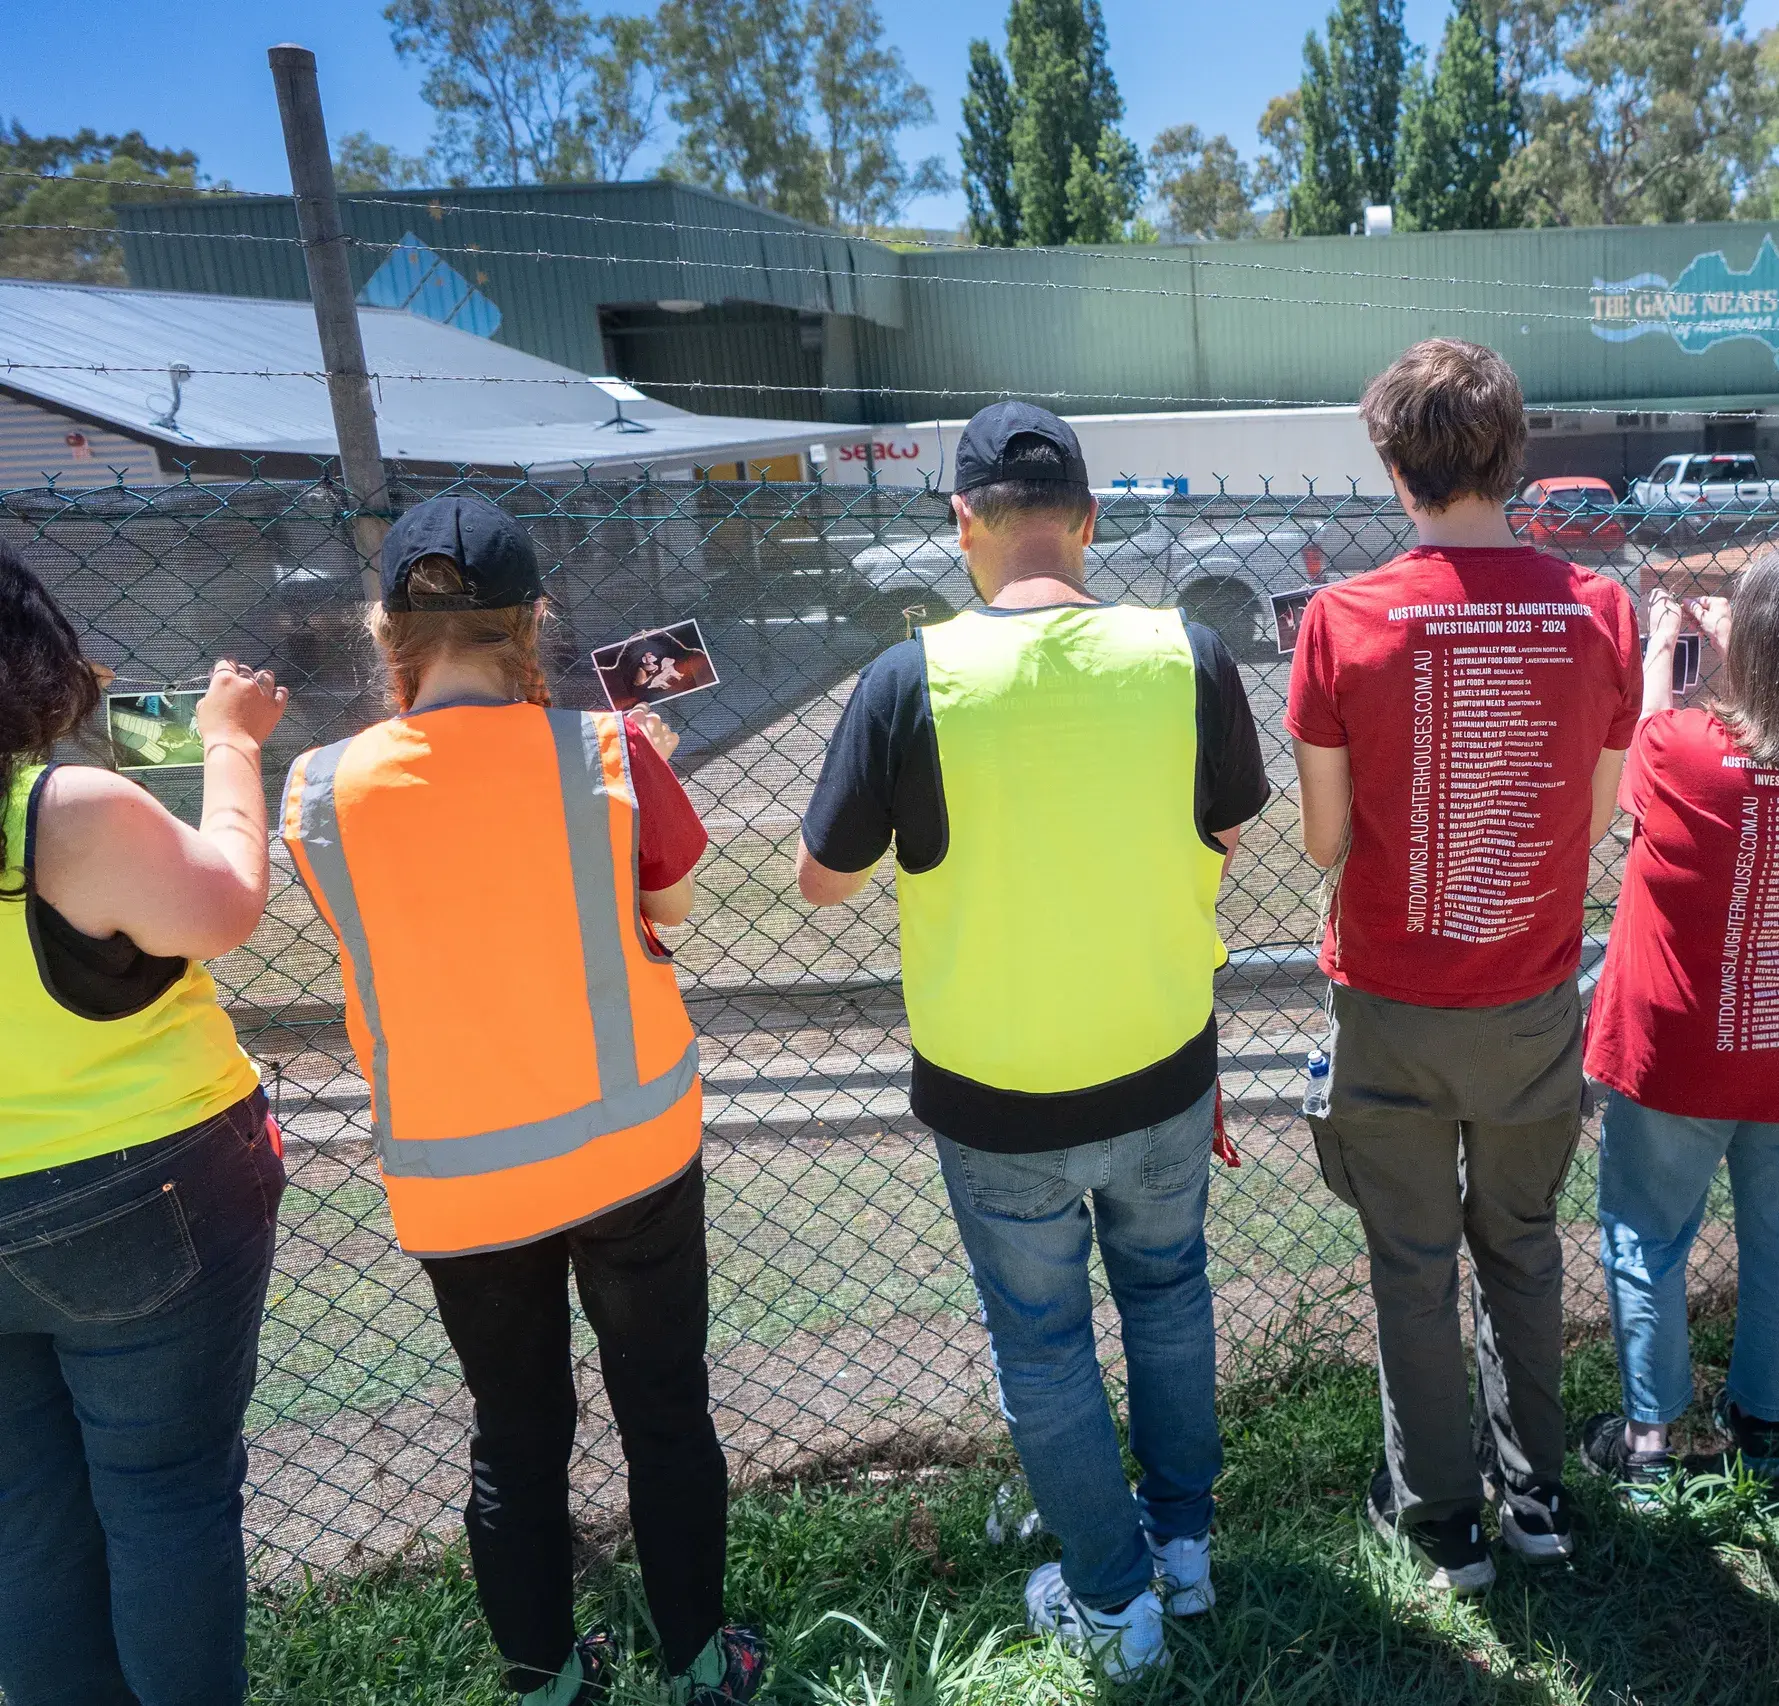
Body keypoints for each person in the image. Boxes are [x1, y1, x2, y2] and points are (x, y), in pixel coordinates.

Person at [797, 403, 1269, 1680]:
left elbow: (822, 881)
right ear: (1089, 521)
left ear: (964, 523)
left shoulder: (910, 679)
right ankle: (1181, 1548)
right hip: (1161, 1057)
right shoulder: (1187, 654)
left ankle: (1113, 1602)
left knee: (1044, 1341)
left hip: (998, 1089)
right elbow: (1225, 829)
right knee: (1169, 1292)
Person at [279, 497, 764, 1706]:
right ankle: (702, 1661)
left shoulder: (320, 788)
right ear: (532, 622)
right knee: (666, 1411)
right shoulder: (609, 749)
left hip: (460, 1178)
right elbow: (668, 911)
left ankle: (544, 1682)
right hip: (631, 1148)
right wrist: (636, 774)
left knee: (514, 1437)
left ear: (386, 630)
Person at [1286, 340, 1639, 1590]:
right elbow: (1595, 813)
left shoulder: (1341, 619)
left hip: (1390, 998)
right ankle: (1535, 1493)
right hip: (1529, 995)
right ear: (1514, 457)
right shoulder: (1599, 610)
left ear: (1395, 468)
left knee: (1412, 1262)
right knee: (1523, 1243)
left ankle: (1439, 1516)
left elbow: (1323, 838)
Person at [0, 543, 290, 1706]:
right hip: (137, 1189)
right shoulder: (62, 811)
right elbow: (224, 905)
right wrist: (229, 742)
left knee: (24, 1510)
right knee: (165, 1494)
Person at [1579, 552, 1779, 1495]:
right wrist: (1755, 643)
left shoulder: (1683, 745)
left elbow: (1648, 743)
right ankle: (1764, 1427)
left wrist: (1665, 644)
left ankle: (1649, 1443)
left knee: (1646, 1233)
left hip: (1685, 1044)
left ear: (1747, 645)